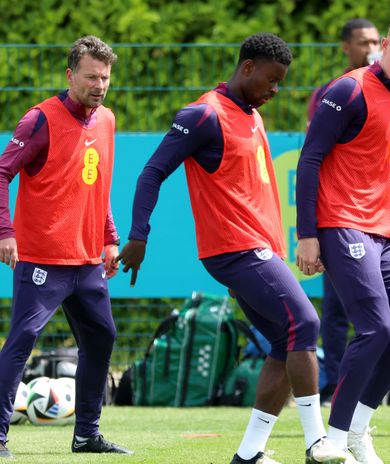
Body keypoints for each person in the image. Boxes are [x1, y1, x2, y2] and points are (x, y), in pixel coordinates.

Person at [116, 33, 348, 464]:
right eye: (271, 79)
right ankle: (317, 441)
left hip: (258, 250)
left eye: (280, 82)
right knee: (306, 322)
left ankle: (249, 454)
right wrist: (138, 236)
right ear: (247, 67)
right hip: (235, 249)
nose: (275, 89)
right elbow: (152, 172)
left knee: (284, 341)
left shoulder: (252, 114)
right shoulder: (203, 114)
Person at [296, 13, 390, 464]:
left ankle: (357, 430)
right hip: (343, 223)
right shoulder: (347, 90)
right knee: (377, 327)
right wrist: (307, 235)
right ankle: (334, 441)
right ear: (385, 46)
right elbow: (309, 160)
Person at [0, 36, 131, 458]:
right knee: (22, 340)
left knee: (102, 338)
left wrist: (109, 238)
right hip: (42, 259)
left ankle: (86, 436)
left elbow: (98, 185)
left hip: (88, 260)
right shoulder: (39, 120)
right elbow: (1, 173)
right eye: (91, 77)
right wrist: (5, 231)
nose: (100, 85)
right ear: (70, 75)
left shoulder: (107, 120)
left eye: (105, 78)